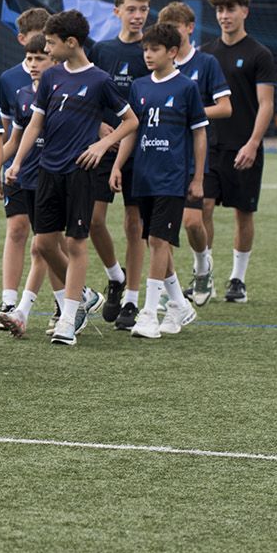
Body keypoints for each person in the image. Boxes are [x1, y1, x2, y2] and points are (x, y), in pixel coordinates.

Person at [5, 10, 135, 346]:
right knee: (44, 243)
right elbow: (35, 124)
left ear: (71, 42)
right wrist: (17, 162)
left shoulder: (100, 80)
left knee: (76, 243)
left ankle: (68, 319)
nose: (47, 50)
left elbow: (131, 121)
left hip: (80, 173)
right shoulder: (50, 78)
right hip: (47, 171)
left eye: (51, 43)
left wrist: (103, 144)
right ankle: (85, 295)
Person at [110, 22, 207, 339]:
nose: (148, 55)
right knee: (153, 239)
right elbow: (132, 130)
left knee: (157, 242)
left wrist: (198, 177)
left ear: (173, 52)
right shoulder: (138, 86)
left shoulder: (186, 88)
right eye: (146, 50)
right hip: (143, 176)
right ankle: (179, 303)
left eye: (154, 50)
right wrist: (117, 166)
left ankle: (149, 312)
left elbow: (199, 134)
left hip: (172, 178)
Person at [200, 0, 277, 303]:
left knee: (243, 213)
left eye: (230, 9)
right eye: (220, 10)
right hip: (209, 146)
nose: (224, 16)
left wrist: (253, 143)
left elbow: (267, 104)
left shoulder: (260, 54)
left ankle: (237, 280)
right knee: (201, 208)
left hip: (244, 146)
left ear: (245, 11)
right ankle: (203, 275)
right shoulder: (206, 54)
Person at [153, 1, 233, 304]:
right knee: (159, 225)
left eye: (177, 28)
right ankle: (163, 286)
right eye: (167, 29)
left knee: (192, 221)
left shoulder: (206, 63)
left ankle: (203, 267)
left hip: (197, 152)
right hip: (161, 154)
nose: (173, 34)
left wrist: (189, 113)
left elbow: (225, 107)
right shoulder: (156, 64)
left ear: (189, 28)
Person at [89, 0, 153, 328]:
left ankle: (131, 298)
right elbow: (93, 95)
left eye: (143, 9)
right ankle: (116, 276)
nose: (138, 16)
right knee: (94, 221)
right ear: (117, 12)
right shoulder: (102, 50)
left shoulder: (150, 50)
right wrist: (101, 128)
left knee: (134, 224)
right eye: (131, 9)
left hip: (139, 149)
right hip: (104, 146)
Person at [0, 33, 56, 337]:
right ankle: (12, 306)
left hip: (52, 177)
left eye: (40, 58)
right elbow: (15, 138)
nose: (32, 64)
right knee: (22, 233)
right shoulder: (19, 92)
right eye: (29, 58)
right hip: (21, 176)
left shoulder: (61, 93)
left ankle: (68, 303)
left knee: (46, 245)